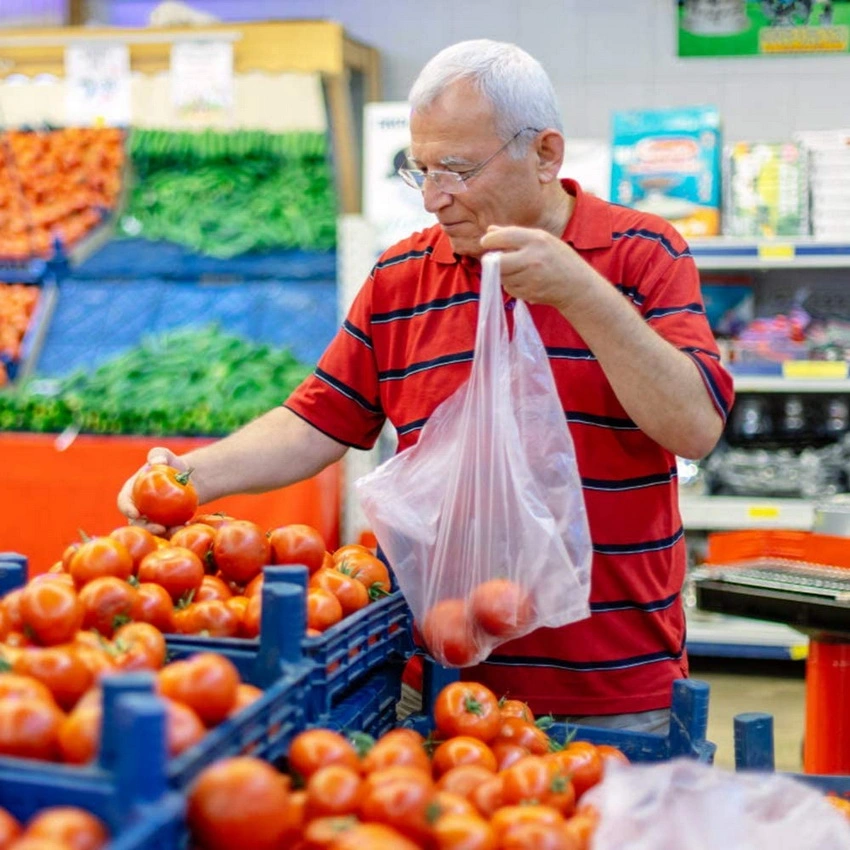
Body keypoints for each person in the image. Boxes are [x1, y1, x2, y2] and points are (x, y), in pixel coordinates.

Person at [118, 39, 734, 732]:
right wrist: (188, 476)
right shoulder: (402, 277)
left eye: (459, 169)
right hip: (438, 683)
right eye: (423, 170)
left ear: (545, 154)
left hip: (617, 693)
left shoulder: (643, 253)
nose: (436, 196)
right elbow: (317, 419)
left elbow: (695, 426)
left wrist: (580, 293)